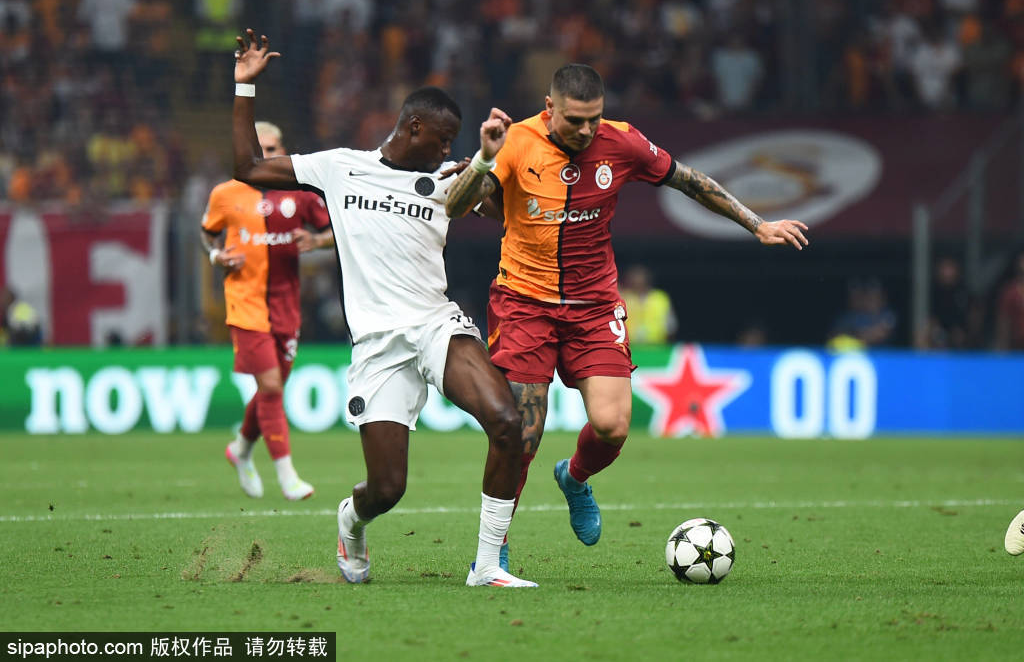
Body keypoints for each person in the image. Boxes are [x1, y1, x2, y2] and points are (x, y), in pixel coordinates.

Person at [445, 63, 808, 568]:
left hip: (594, 306)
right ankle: (495, 550)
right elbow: (457, 207)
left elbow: (689, 180)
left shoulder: (622, 142)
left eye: (594, 118)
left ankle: (574, 478)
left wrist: (757, 224)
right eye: (575, 120)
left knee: (613, 426)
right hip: (525, 302)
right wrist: (484, 157)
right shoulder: (516, 142)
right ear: (549, 109)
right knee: (522, 435)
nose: (586, 130)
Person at [230, 29, 536, 588]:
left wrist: (487, 162)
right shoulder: (340, 167)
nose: (445, 150)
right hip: (378, 344)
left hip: (435, 323)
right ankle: (351, 521)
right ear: (413, 127)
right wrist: (245, 87)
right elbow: (248, 168)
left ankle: (487, 565)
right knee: (387, 489)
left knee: (506, 421)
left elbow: (508, 214)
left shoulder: (448, 179)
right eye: (442, 139)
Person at [200, 119, 330, 502]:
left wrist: (318, 241)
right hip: (245, 304)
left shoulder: (300, 194)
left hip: (286, 308)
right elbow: (207, 231)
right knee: (271, 386)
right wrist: (216, 256)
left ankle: (241, 449)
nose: (265, 156)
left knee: (270, 388)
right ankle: (287, 476)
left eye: (271, 150)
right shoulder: (225, 193)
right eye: (258, 150)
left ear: (282, 151)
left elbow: (335, 229)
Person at [618, 264, 677, 346]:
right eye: (634, 277)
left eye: (640, 277)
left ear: (647, 279)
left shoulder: (660, 298)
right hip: (630, 347)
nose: (638, 281)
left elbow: (671, 328)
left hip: (657, 347)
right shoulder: (623, 298)